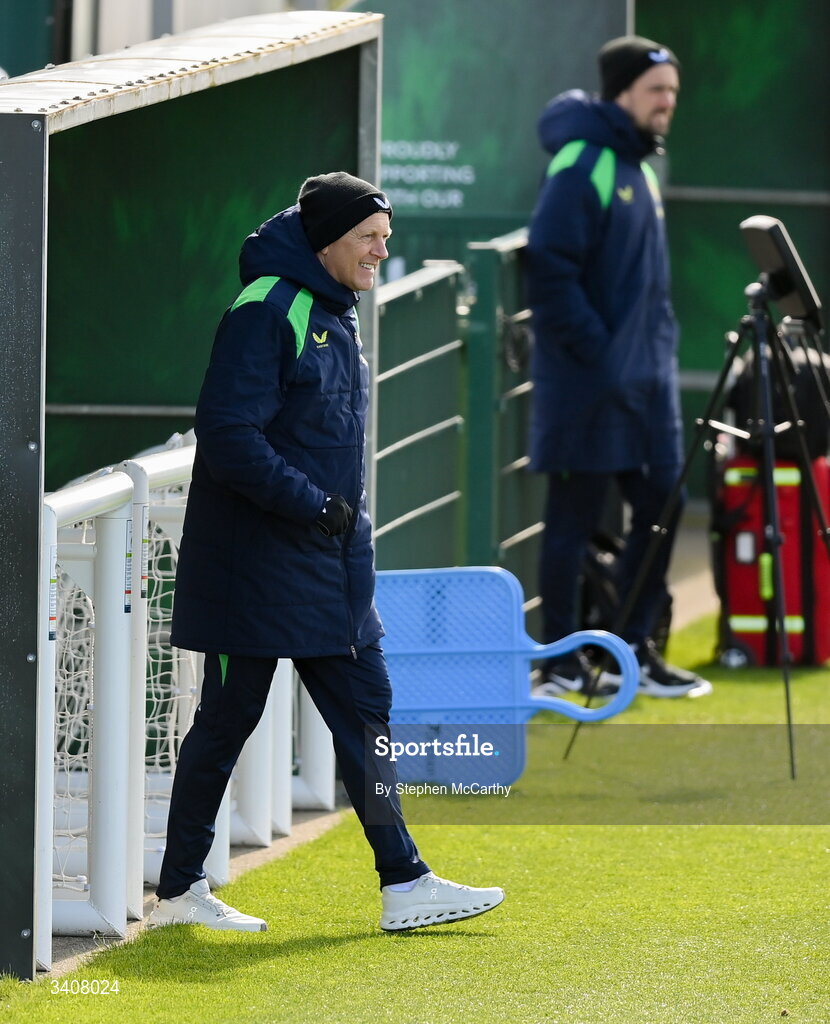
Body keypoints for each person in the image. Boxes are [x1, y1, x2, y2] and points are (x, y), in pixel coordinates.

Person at [146, 172, 504, 933]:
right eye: (370, 237)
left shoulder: (337, 309)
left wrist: (333, 524)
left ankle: (404, 881)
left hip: (326, 564)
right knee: (228, 718)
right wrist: (315, 506)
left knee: (365, 708)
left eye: (386, 236)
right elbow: (231, 437)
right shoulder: (268, 310)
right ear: (327, 240)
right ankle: (180, 891)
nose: (383, 250)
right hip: (259, 568)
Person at [526, 37, 711, 700]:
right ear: (622, 92)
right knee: (572, 520)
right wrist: (601, 352)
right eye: (656, 91)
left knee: (665, 503)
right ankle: (560, 664)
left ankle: (633, 651)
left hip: (645, 387)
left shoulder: (642, 167)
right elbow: (549, 270)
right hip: (589, 386)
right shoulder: (584, 162)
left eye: (672, 93)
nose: (667, 104)